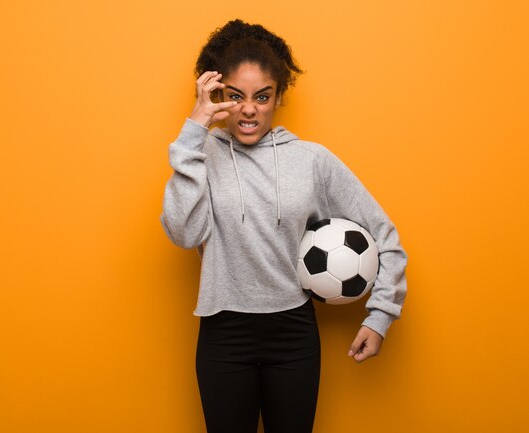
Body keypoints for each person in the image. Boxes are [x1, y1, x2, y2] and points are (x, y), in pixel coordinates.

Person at [160, 19, 407, 433]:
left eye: (263, 96)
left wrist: (380, 315)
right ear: (218, 94)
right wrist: (192, 131)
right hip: (224, 332)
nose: (249, 109)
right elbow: (183, 234)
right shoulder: (200, 154)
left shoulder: (311, 160)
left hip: (292, 332)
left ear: (279, 95)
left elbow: (385, 236)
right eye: (235, 96)